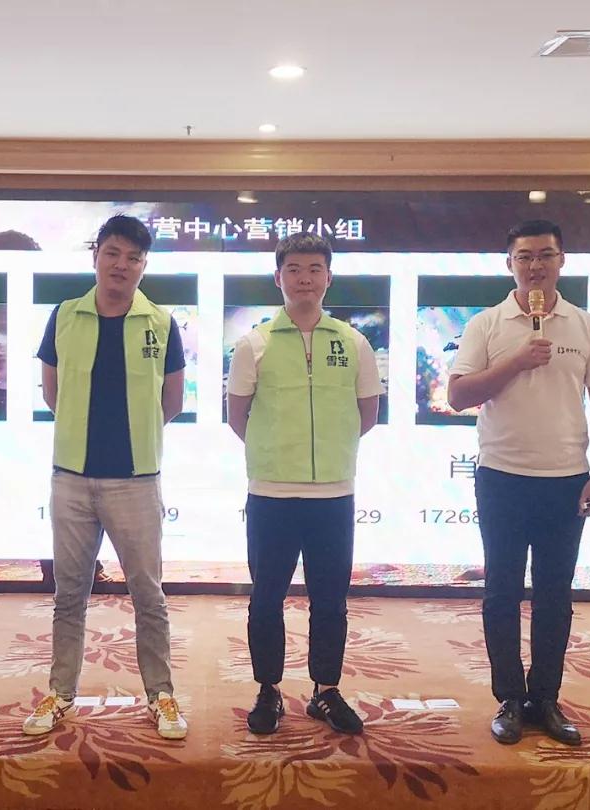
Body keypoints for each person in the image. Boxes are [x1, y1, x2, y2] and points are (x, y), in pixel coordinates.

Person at [448, 220, 590, 746]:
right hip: (501, 477)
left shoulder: (586, 326)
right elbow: (458, 395)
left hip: (565, 481)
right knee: (501, 593)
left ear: (561, 261)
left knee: (553, 597)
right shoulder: (486, 324)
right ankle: (509, 698)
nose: (535, 265)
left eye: (545, 254)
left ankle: (545, 698)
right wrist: (516, 362)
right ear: (510, 265)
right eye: (525, 257)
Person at [23, 215, 188, 740]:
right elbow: (53, 393)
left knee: (148, 594)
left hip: (136, 480)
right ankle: (60, 692)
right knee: (69, 593)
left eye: (133, 258)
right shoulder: (64, 315)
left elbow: (172, 400)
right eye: (113, 253)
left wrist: (134, 438)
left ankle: (161, 695)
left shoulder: (160, 322)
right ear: (96, 255)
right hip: (72, 478)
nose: (122, 265)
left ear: (144, 265)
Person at [227, 234, 381, 736]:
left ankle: (325, 690)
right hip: (271, 493)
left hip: (333, 494)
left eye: (315, 269)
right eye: (294, 269)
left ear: (329, 277)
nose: (305, 279)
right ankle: (268, 690)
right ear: (278, 278)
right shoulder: (254, 343)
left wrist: (329, 451)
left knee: (330, 600)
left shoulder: (354, 343)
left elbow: (367, 414)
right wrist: (278, 451)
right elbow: (237, 416)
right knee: (266, 598)